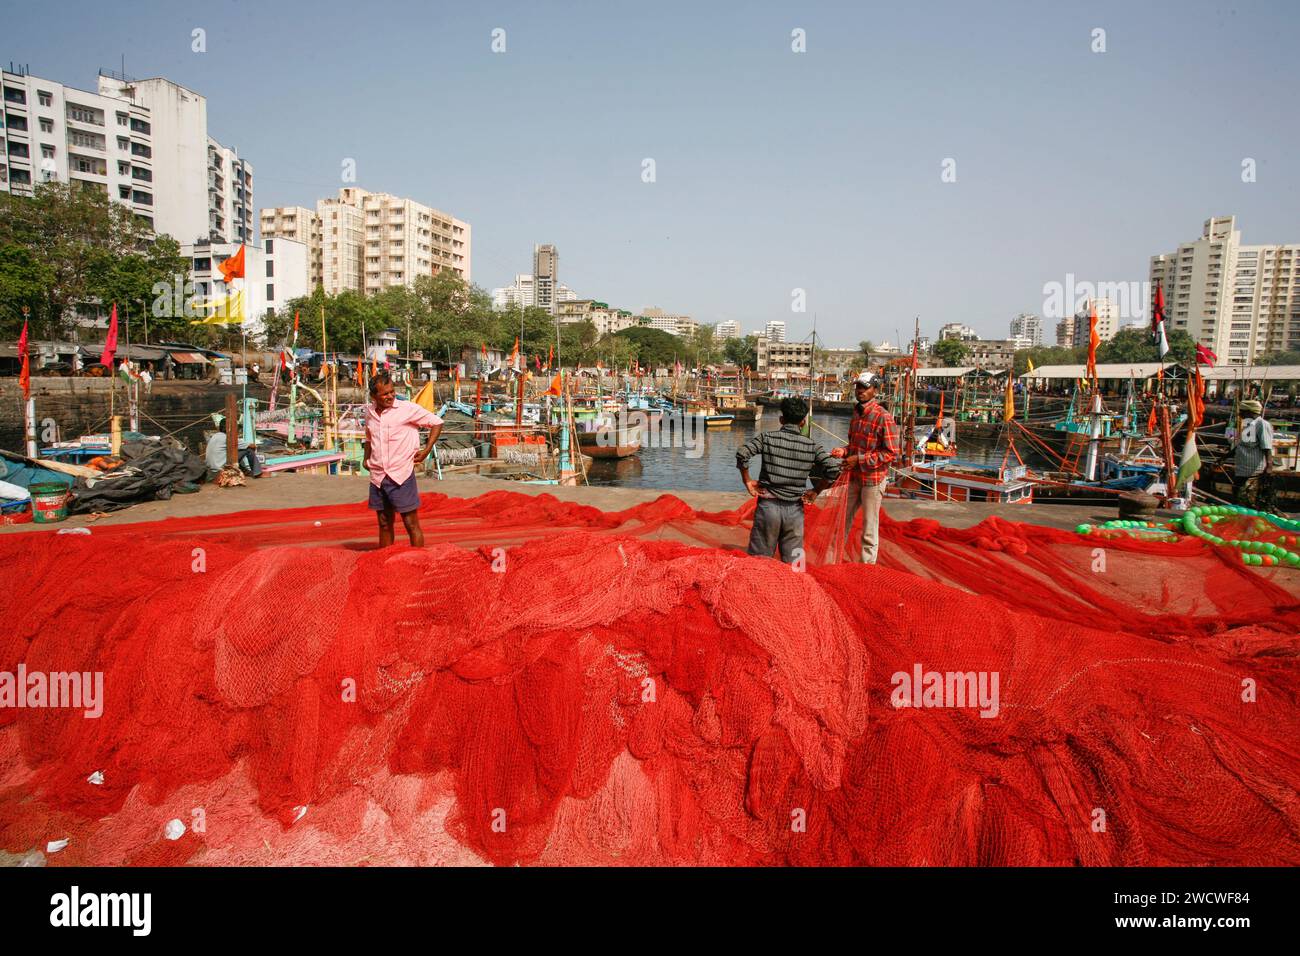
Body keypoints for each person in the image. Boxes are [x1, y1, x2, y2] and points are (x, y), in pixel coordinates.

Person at [736, 396, 840, 563]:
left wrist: (747, 480)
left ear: (781, 419)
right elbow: (833, 468)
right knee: (794, 565)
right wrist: (815, 491)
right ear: (803, 422)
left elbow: (742, 454)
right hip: (795, 512)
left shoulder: (767, 438)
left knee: (759, 563)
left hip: (768, 507)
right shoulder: (812, 446)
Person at [364, 370, 443, 547]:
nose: (390, 396)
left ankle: (417, 560)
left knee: (410, 523)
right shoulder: (369, 413)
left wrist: (427, 449)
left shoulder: (407, 409)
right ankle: (384, 561)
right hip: (378, 476)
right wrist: (366, 458)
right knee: (384, 522)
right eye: (384, 393)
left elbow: (437, 422)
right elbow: (369, 437)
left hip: (401, 474)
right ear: (373, 395)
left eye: (392, 391)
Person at [834, 372, 899, 564]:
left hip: (873, 480)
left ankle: (866, 568)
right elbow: (853, 446)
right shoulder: (856, 414)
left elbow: (890, 453)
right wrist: (844, 451)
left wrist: (858, 460)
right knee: (841, 522)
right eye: (858, 387)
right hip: (854, 477)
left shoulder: (883, 417)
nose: (860, 391)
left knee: (869, 528)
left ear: (875, 390)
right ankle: (833, 560)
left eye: (865, 387)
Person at [1233, 399, 1274, 511]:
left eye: (1242, 412)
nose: (1240, 414)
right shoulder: (1248, 425)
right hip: (1242, 469)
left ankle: (1249, 525)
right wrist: (1224, 458)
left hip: (1253, 471)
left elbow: (1267, 446)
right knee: (1237, 497)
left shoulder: (1262, 424)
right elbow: (1242, 445)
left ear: (1249, 412)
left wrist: (1269, 466)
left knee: (1247, 500)